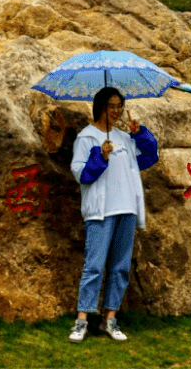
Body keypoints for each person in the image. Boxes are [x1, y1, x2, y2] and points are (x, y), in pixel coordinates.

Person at [68, 87, 159, 344]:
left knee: (119, 268)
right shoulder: (86, 137)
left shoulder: (125, 137)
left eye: (120, 105)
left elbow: (150, 156)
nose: (116, 111)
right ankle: (82, 320)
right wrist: (101, 156)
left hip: (126, 208)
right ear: (100, 107)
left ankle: (110, 318)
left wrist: (140, 134)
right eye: (111, 106)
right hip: (101, 210)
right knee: (94, 266)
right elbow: (82, 175)